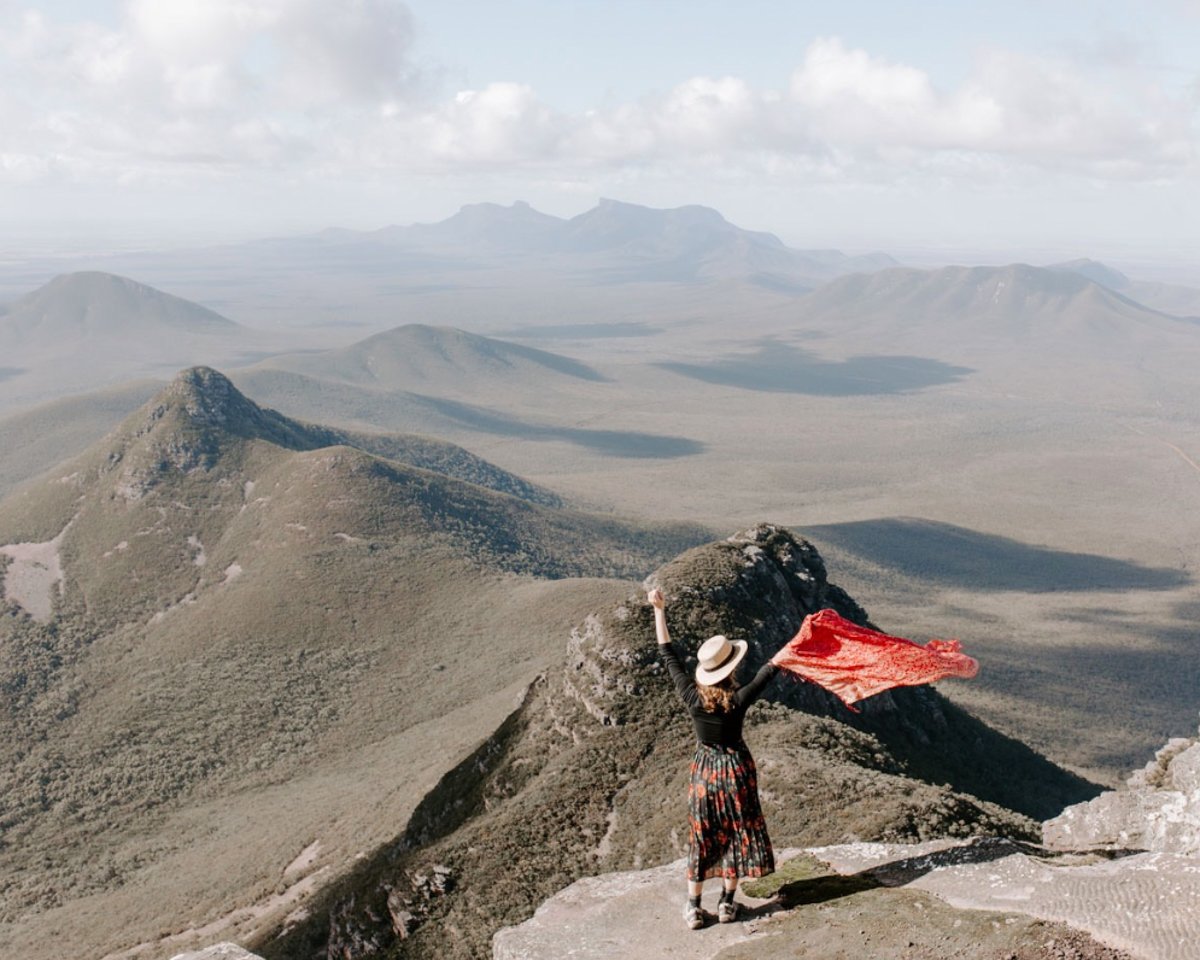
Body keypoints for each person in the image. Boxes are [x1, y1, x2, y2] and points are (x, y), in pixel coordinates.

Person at [648, 586, 777, 930]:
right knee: (736, 833)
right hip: (736, 770)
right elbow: (769, 670)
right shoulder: (738, 699)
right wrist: (797, 643)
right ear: (730, 668)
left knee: (703, 835)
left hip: (705, 772)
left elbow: (668, 654)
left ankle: (693, 907)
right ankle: (726, 904)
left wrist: (659, 610)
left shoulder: (692, 698)